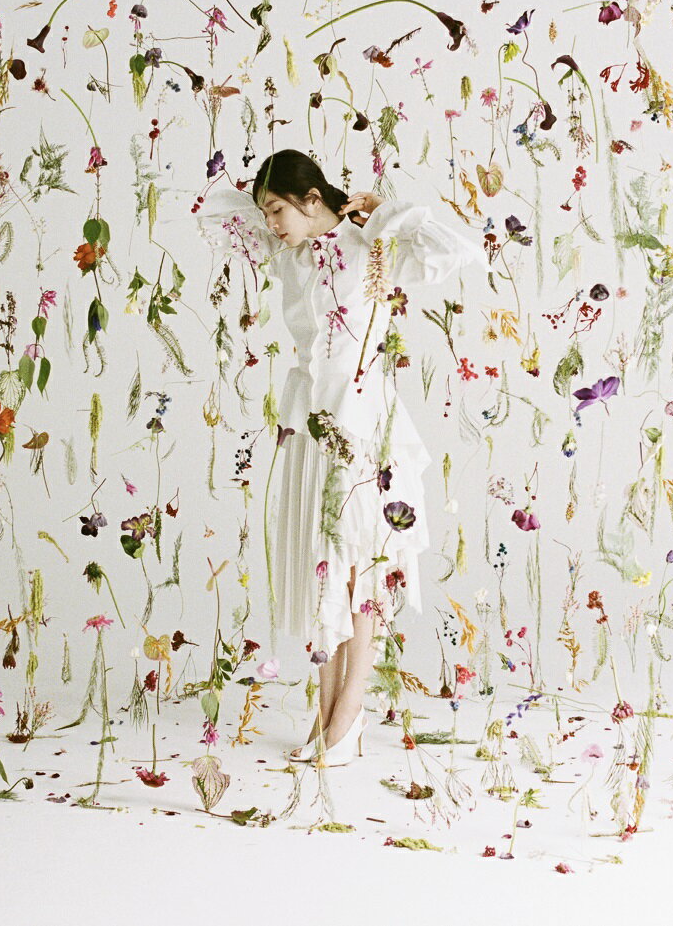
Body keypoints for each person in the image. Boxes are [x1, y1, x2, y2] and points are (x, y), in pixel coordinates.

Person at [194, 148, 488, 766]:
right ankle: (326, 717)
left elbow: (458, 250)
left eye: (278, 209)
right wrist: (272, 204)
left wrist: (386, 210)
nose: (270, 223)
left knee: (361, 567)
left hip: (364, 424)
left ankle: (350, 712)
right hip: (312, 424)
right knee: (323, 566)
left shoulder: (372, 247)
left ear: (311, 198)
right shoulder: (290, 254)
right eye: (265, 214)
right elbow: (211, 211)